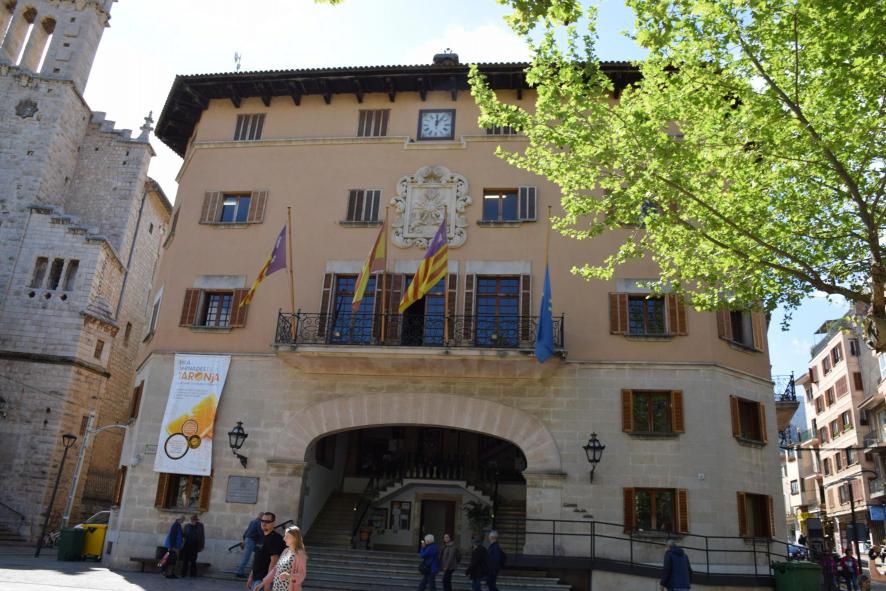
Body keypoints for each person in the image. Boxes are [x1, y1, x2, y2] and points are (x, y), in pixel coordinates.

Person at [247, 512, 285, 591]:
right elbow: (256, 559)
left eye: (267, 522)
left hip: (264, 580)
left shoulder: (276, 538)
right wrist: (251, 577)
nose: (264, 523)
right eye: (262, 521)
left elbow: (274, 561)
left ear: (273, 523)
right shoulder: (261, 537)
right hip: (256, 579)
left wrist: (267, 582)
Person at [268, 525, 308, 591]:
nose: (284, 539)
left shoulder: (300, 554)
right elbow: (276, 569)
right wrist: (264, 582)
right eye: (285, 536)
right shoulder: (285, 551)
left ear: (295, 538)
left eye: (287, 536)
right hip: (276, 588)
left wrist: (289, 576)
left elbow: (302, 575)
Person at [237, 512, 264, 578]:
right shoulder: (259, 522)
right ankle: (239, 572)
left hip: (249, 540)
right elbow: (260, 533)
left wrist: (244, 539)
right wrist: (262, 542)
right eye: (263, 517)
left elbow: (247, 531)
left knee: (258, 554)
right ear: (261, 516)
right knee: (246, 557)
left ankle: (254, 571)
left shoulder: (253, 521)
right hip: (251, 541)